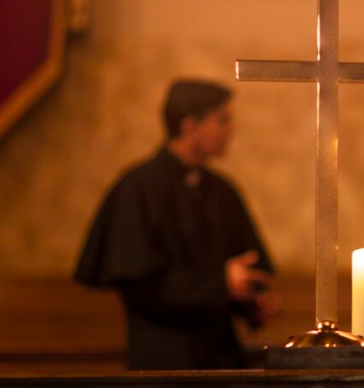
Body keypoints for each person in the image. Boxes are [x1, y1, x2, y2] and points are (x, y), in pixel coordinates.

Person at [75, 79, 279, 370]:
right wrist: (221, 283)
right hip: (163, 361)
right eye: (222, 120)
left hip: (221, 359)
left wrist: (250, 303)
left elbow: (239, 270)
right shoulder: (138, 188)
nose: (231, 130)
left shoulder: (222, 191)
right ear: (189, 126)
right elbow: (141, 287)